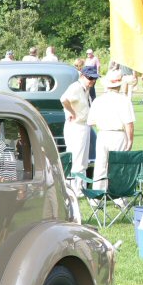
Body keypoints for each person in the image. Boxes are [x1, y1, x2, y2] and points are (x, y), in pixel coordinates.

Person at [87, 70, 135, 186]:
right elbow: (129, 123)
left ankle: (97, 196)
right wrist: (130, 140)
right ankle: (118, 196)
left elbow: (91, 122)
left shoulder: (98, 100)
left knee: (100, 166)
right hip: (118, 135)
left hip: (103, 134)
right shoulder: (124, 100)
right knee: (118, 166)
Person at [60, 66, 98, 202]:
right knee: (77, 158)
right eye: (90, 78)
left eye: (94, 78)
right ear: (82, 76)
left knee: (82, 159)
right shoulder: (75, 87)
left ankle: (78, 188)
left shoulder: (86, 88)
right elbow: (63, 99)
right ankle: (75, 189)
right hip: (76, 126)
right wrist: (71, 112)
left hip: (84, 125)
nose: (92, 81)